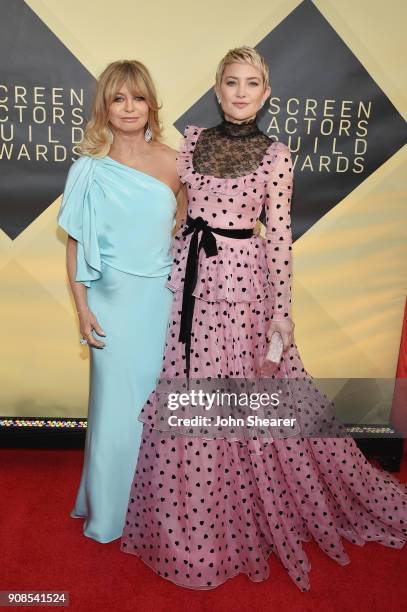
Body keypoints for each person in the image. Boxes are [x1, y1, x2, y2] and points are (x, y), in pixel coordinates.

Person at [120, 47, 407, 589]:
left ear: (266, 93)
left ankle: (236, 516)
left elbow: (279, 241)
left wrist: (282, 314)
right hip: (189, 286)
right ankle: (189, 523)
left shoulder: (277, 155)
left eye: (253, 83)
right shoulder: (193, 143)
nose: (242, 92)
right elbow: (167, 206)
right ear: (218, 88)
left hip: (244, 292)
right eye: (232, 82)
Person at [58, 60, 186, 543]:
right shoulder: (88, 169)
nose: (129, 107)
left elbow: (188, 232)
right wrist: (82, 306)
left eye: (137, 97)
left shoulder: (177, 163)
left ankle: (154, 510)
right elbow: (75, 244)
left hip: (160, 300)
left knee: (157, 406)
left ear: (151, 104)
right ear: (105, 108)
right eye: (118, 98)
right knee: (114, 410)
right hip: (109, 302)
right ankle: (109, 513)